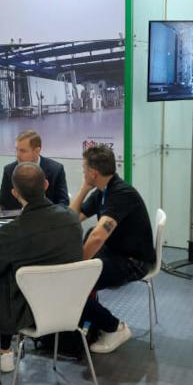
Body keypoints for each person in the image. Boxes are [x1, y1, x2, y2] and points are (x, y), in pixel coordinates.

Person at [0, 162, 83, 372]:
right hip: (70, 305)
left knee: (3, 275)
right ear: (46, 185)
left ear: (15, 193)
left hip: (25, 314)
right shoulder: (72, 218)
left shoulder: (10, 233)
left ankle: (5, 351)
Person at [70, 145, 155, 354]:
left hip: (135, 261)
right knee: (78, 276)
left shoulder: (120, 193)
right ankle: (92, 320)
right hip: (116, 252)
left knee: (74, 284)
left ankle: (115, 328)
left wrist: (77, 266)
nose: (83, 172)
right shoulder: (103, 190)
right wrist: (84, 188)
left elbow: (99, 236)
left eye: (84, 169)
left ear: (93, 173)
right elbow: (71, 218)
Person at [0, 130, 69, 216]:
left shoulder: (55, 170)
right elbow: (4, 204)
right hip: (19, 221)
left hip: (48, 220)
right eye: (17, 150)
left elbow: (63, 204)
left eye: (22, 151)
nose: (18, 155)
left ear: (37, 151)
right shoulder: (9, 170)